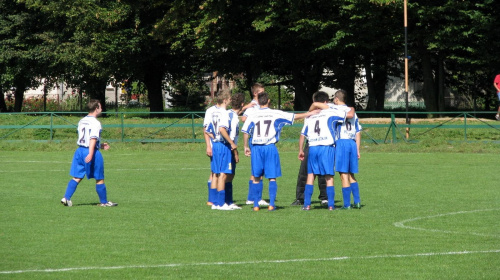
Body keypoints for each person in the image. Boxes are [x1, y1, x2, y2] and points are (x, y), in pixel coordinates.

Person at [242, 92, 319, 211]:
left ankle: (256, 205)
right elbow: (294, 116)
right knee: (272, 177)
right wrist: (310, 113)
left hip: (256, 147)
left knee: (256, 176)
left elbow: (246, 131)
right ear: (268, 101)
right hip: (269, 147)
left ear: (258, 102)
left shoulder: (253, 115)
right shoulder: (275, 113)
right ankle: (271, 204)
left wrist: (246, 146)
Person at [298, 91, 350, 211]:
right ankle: (331, 205)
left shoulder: (310, 115)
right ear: (326, 101)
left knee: (311, 175)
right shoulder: (331, 112)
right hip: (326, 147)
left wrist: (301, 149)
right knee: (329, 177)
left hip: (313, 147)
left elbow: (303, 134)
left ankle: (307, 205)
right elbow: (346, 115)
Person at [61, 99, 117, 207]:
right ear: (96, 108)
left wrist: (100, 145)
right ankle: (104, 202)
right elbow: (92, 138)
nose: (101, 108)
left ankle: (66, 198)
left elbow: (86, 138)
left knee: (77, 176)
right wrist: (91, 153)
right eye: (100, 107)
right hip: (90, 151)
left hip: (79, 151)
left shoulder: (82, 120)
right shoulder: (96, 123)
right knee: (99, 178)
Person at [204, 90, 238, 210]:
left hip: (216, 144)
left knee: (216, 174)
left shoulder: (213, 112)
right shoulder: (224, 113)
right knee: (223, 174)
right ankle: (220, 203)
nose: (230, 101)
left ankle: (215, 203)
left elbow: (207, 130)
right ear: (225, 100)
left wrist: (214, 138)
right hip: (223, 145)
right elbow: (222, 129)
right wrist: (231, 142)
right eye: (229, 99)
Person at [333, 90, 363, 209]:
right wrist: (358, 149)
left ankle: (346, 204)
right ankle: (357, 201)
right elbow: (358, 132)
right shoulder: (351, 111)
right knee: (351, 174)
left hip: (342, 143)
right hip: (352, 143)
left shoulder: (335, 111)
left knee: (343, 174)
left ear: (336, 99)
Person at [241, 83, 269, 206]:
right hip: (255, 140)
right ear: (255, 93)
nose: (263, 93)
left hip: (261, 140)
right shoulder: (252, 107)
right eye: (261, 92)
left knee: (258, 171)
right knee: (257, 171)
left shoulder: (260, 105)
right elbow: (243, 119)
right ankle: (253, 197)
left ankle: (253, 197)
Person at [223, 92, 246, 209]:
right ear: (242, 104)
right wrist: (235, 153)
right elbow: (232, 137)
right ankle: (226, 201)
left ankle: (228, 201)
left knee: (229, 174)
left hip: (223, 147)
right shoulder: (234, 119)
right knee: (228, 175)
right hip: (228, 148)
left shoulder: (227, 113)